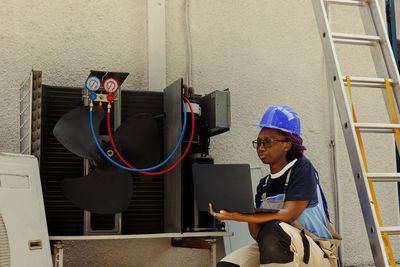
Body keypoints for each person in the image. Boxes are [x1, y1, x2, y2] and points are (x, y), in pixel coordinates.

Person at [209, 105, 341, 267]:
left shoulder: (302, 168)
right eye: (258, 142)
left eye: (268, 142)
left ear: (288, 144)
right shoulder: (264, 185)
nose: (261, 147)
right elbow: (259, 235)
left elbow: (288, 215)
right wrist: (243, 209)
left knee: (274, 230)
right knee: (228, 265)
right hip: (277, 245)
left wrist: (238, 216)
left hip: (317, 252)